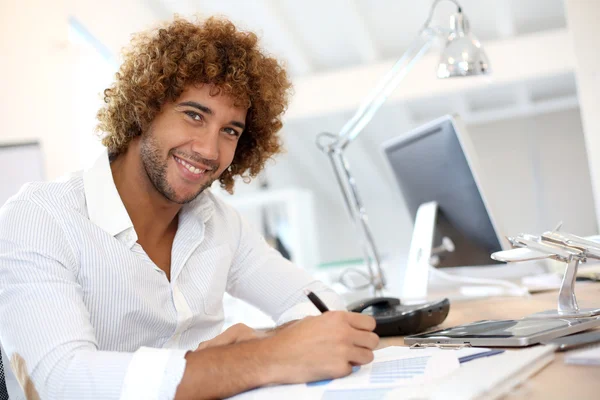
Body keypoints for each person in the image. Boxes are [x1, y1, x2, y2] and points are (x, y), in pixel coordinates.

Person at [0, 16, 379, 400]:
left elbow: (318, 303)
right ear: (144, 109)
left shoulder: (219, 222)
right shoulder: (39, 218)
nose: (209, 151)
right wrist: (263, 358)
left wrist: (260, 345)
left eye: (230, 131)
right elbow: (64, 381)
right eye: (194, 115)